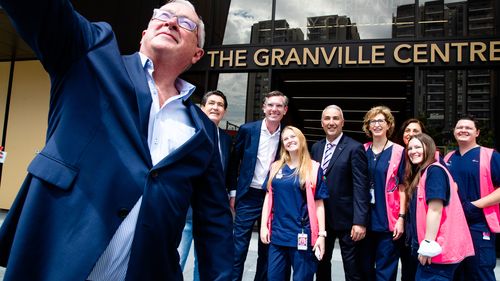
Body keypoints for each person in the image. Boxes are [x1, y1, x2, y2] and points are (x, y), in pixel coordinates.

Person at [0, 0, 234, 280]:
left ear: (197, 54)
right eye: (164, 15)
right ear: (144, 33)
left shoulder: (202, 131)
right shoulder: (90, 56)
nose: (172, 22)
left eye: (186, 23)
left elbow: (215, 222)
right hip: (55, 264)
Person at [228, 90, 288, 281]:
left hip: (272, 198)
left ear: (285, 110)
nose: (274, 109)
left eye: (279, 106)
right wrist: (233, 192)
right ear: (263, 107)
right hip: (247, 196)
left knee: (267, 248)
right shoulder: (248, 130)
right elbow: (233, 162)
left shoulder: (288, 135)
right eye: (270, 105)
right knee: (238, 248)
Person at [260, 126, 329, 281]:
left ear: (301, 139)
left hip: (301, 234)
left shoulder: (313, 168)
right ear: (283, 144)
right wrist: (264, 226)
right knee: (274, 277)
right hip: (277, 235)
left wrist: (321, 235)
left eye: (293, 136)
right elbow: (268, 198)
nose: (290, 141)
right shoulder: (276, 167)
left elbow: (319, 204)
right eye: (286, 139)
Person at [311, 105, 370, 281]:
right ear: (322, 123)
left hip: (347, 221)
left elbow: (361, 187)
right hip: (321, 220)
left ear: (342, 122)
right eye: (327, 118)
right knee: (321, 264)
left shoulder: (354, 148)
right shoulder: (316, 148)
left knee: (352, 269)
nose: (331, 122)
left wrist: (360, 221)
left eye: (335, 118)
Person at [404, 133, 474, 280]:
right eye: (410, 148)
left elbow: (435, 209)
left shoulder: (434, 171)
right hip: (436, 250)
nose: (412, 151)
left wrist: (428, 245)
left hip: (437, 250)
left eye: (417, 146)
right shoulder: (425, 172)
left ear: (428, 148)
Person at [178, 90, 232, 281]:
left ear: (224, 112)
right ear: (202, 107)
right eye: (211, 103)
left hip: (210, 213)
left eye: (220, 105)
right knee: (176, 259)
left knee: (204, 264)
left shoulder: (226, 139)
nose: (215, 107)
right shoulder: (190, 131)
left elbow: (225, 172)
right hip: (186, 210)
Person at [444, 116, 500, 281]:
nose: (463, 130)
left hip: (479, 224)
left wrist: (475, 206)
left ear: (477, 132)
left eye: (468, 128)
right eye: (459, 127)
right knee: (457, 273)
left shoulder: (490, 156)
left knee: (480, 273)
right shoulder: (448, 158)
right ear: (454, 132)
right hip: (453, 227)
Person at [359, 105, 406, 281]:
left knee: (386, 270)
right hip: (365, 220)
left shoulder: (399, 151)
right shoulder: (362, 150)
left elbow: (403, 187)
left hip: (388, 220)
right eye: (373, 121)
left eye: (381, 121)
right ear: (368, 126)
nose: (377, 125)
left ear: (388, 125)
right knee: (364, 268)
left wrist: (401, 217)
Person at [397, 118, 428, 281]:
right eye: (407, 131)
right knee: (408, 269)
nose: (410, 134)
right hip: (408, 223)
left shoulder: (433, 161)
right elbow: (401, 188)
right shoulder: (404, 157)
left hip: (425, 225)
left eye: (415, 131)